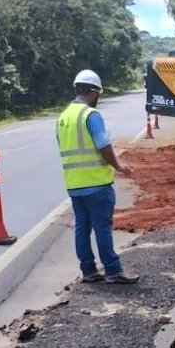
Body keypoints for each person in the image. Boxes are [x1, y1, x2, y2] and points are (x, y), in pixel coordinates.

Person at [56, 69, 139, 285]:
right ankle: (113, 270)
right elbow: (104, 146)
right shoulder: (90, 115)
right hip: (96, 183)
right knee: (102, 227)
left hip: (74, 184)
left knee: (82, 227)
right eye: (98, 94)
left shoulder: (64, 117)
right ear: (93, 92)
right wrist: (118, 166)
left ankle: (89, 271)